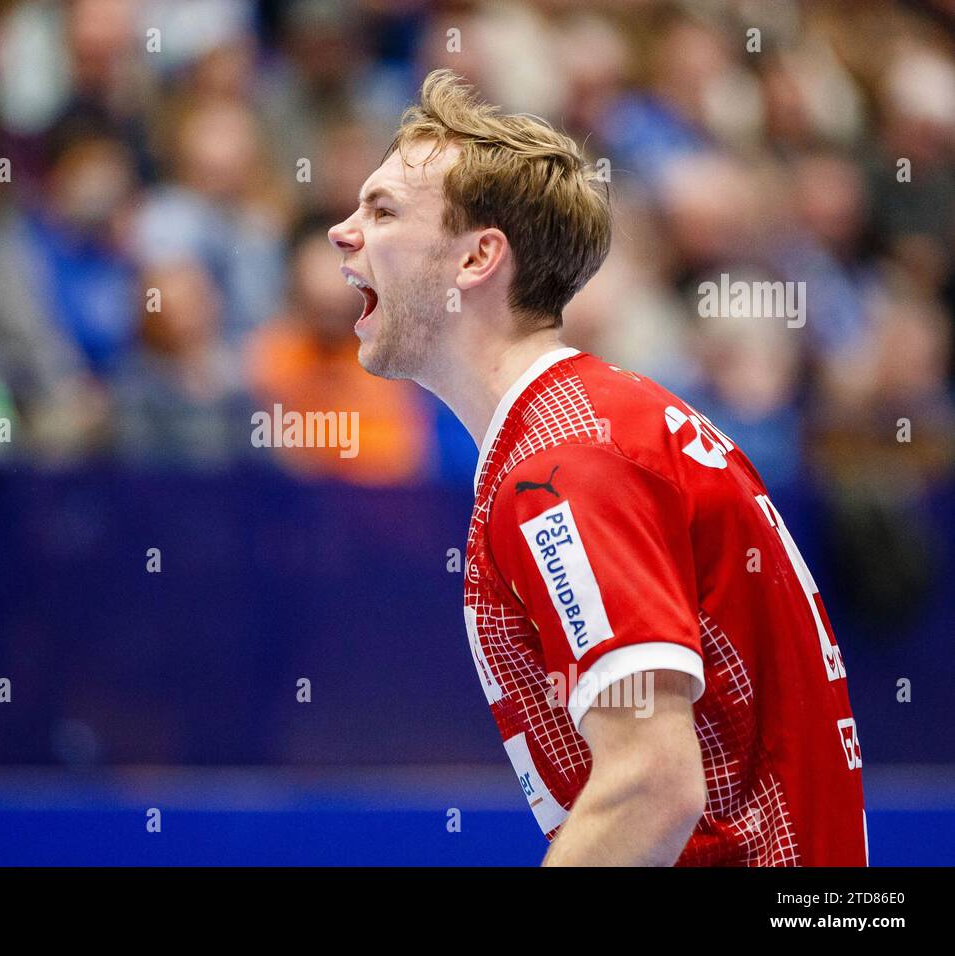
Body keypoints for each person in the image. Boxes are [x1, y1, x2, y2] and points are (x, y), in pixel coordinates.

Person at [328, 70, 867, 867]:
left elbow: (652, 785)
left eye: (382, 211)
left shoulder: (565, 464)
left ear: (479, 257)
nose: (343, 232)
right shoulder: (596, 423)